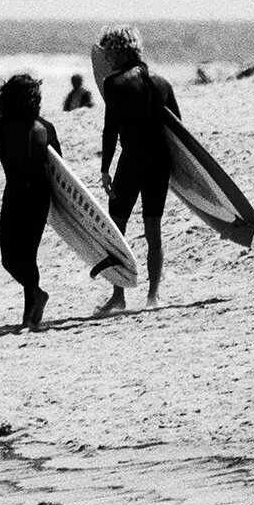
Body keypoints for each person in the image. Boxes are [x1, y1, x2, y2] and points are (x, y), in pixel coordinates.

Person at [94, 26, 180, 314]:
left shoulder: (114, 84)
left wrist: (105, 168)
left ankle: (118, 296)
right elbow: (177, 130)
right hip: (159, 163)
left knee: (116, 229)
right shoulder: (162, 83)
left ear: (118, 51)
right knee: (153, 230)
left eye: (107, 53)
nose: (105, 59)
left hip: (131, 163)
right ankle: (153, 296)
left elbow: (110, 130)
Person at [0, 74, 62, 330]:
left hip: (20, 196)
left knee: (19, 257)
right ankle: (35, 296)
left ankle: (30, 310)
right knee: (17, 258)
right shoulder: (46, 127)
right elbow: (60, 173)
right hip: (39, 197)